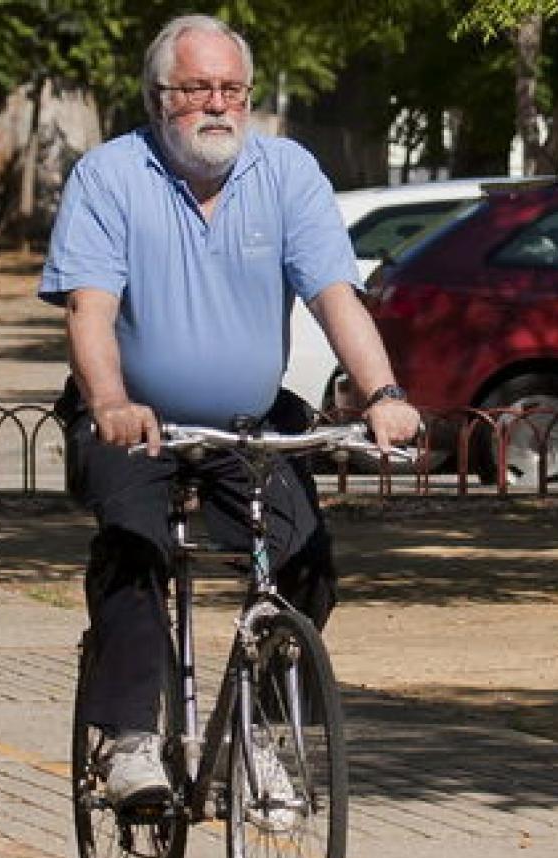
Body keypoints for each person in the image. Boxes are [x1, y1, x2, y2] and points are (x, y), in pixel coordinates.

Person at [41, 14, 422, 808]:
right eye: (197, 89)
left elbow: (334, 297)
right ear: (157, 98)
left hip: (245, 424)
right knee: (134, 546)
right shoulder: (110, 176)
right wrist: (109, 401)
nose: (218, 106)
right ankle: (129, 741)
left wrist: (382, 395)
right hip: (131, 419)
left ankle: (256, 735)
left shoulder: (287, 173)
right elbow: (89, 307)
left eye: (232, 90)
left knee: (305, 558)